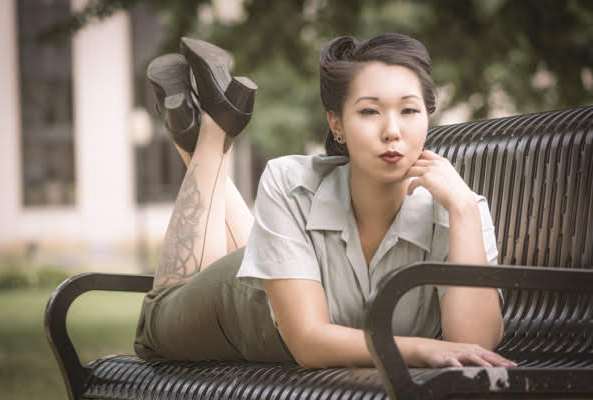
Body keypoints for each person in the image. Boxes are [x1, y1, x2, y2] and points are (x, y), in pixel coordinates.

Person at [134, 33, 517, 369]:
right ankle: (212, 133)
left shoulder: (461, 206)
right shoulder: (290, 180)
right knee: (154, 322)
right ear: (337, 125)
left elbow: (475, 346)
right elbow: (308, 342)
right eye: (369, 111)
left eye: (409, 110)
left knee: (250, 234)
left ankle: (197, 140)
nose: (392, 131)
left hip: (288, 270)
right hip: (251, 305)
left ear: (428, 118)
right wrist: (422, 350)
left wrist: (464, 211)